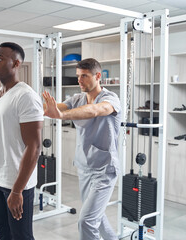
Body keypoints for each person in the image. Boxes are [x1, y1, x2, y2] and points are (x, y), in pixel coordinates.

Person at [43, 58, 121, 240]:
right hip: (85, 168)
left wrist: (61, 115)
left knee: (86, 221)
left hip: (104, 169)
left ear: (98, 76)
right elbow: (54, 107)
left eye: (84, 76)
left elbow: (94, 110)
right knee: (98, 218)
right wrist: (40, 108)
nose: (79, 80)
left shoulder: (110, 99)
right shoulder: (77, 98)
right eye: (78, 76)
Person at [0, 42, 43, 240]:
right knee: (3, 234)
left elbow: (34, 147)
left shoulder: (26, 96)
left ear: (16, 63)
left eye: (0, 59)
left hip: (16, 184)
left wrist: (17, 191)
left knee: (21, 237)